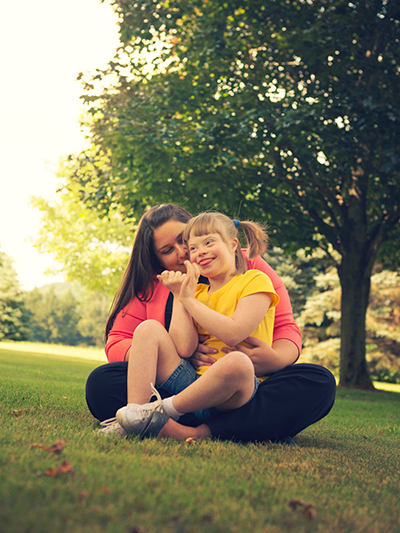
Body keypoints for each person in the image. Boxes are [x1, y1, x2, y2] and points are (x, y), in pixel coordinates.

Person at [86, 204, 336, 443]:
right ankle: (143, 415)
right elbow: (124, 340)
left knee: (318, 381)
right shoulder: (160, 285)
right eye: (167, 250)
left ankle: (178, 424)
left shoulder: (248, 268)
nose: (185, 252)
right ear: (157, 259)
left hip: (240, 383)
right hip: (183, 379)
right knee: (102, 382)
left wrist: (275, 359)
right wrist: (175, 349)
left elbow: (283, 325)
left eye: (185, 241)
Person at [115, 212, 280, 437]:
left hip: (231, 395)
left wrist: (189, 300)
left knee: (239, 363)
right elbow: (183, 348)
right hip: (192, 383)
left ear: (233, 245)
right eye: (193, 248)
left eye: (209, 242)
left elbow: (234, 333)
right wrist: (181, 294)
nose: (199, 252)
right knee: (148, 328)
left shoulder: (255, 281)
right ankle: (135, 416)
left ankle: (157, 411)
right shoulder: (196, 292)